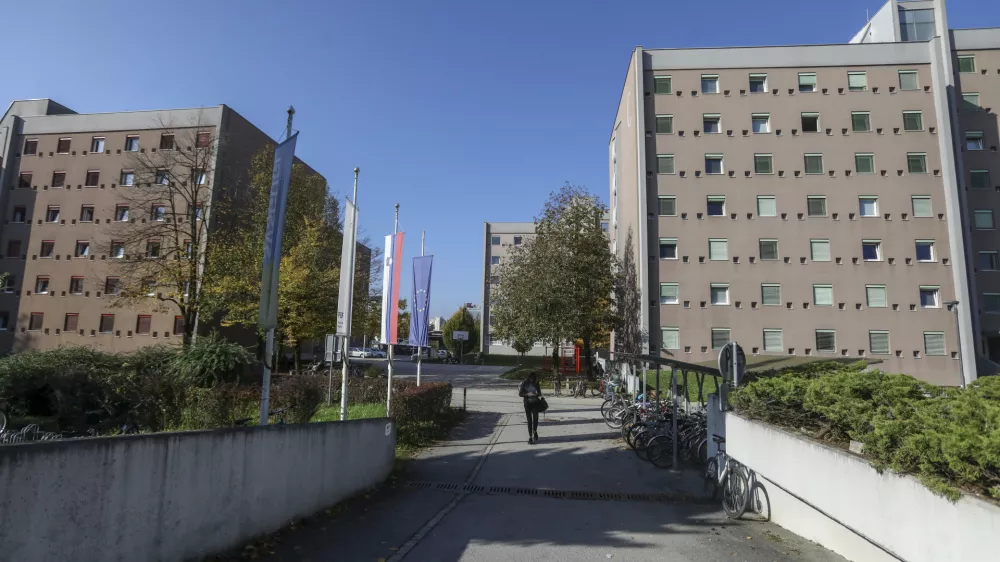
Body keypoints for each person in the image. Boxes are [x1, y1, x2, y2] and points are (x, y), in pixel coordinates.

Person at [518, 371, 543, 444]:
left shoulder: (536, 383)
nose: (532, 380)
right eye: (531, 378)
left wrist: (536, 394)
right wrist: (527, 394)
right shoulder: (524, 383)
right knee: (529, 420)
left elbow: (539, 393)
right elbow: (520, 394)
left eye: (534, 378)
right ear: (529, 377)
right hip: (527, 403)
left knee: (535, 419)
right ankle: (530, 437)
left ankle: (535, 431)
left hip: (535, 403)